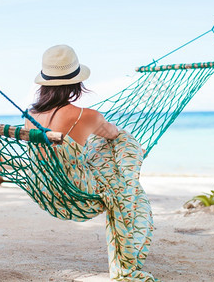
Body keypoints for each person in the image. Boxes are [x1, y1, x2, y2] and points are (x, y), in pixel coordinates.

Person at [25, 45, 156, 281]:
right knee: (122, 146)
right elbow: (115, 134)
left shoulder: (29, 116)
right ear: (77, 83)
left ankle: (124, 181)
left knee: (93, 146)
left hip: (46, 188)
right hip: (77, 190)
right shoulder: (86, 116)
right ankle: (128, 182)